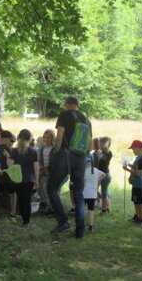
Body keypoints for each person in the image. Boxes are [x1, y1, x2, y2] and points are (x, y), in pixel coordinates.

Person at [47, 96, 92, 238]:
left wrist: (55, 151)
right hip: (81, 158)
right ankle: (80, 230)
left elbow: (59, 137)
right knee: (78, 194)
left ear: (66, 104)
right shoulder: (86, 120)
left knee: (52, 188)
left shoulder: (64, 114)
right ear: (78, 105)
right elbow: (90, 145)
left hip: (65, 155)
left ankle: (63, 222)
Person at [5, 129, 39, 228]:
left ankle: (23, 220)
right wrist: (36, 180)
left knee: (20, 200)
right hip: (29, 179)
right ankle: (27, 222)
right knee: (27, 200)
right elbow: (36, 168)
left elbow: (10, 166)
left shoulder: (14, 151)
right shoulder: (33, 151)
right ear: (29, 139)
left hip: (17, 180)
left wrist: (7, 157)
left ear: (19, 138)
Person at [0, 130, 18, 218]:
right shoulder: (10, 150)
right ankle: (13, 212)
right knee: (13, 194)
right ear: (8, 139)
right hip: (8, 177)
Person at [123, 140, 142, 223]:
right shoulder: (138, 158)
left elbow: (139, 173)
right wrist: (129, 164)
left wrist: (127, 169)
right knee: (136, 201)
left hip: (139, 184)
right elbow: (136, 168)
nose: (133, 150)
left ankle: (141, 218)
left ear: (139, 148)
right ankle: (137, 216)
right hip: (135, 184)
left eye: (133, 148)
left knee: (139, 202)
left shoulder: (140, 159)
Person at [83, 155, 105, 232]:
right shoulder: (95, 170)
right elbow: (104, 174)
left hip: (85, 194)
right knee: (91, 210)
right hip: (93, 195)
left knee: (82, 209)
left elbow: (84, 184)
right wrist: (97, 179)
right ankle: (91, 226)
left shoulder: (83, 171)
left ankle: (81, 225)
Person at [38, 130, 55, 214]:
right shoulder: (42, 148)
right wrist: (40, 167)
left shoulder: (54, 148)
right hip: (43, 171)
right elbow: (41, 160)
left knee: (50, 190)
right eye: (45, 137)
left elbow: (55, 162)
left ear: (52, 138)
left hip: (51, 172)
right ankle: (48, 206)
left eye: (48, 137)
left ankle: (52, 208)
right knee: (43, 189)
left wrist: (48, 168)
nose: (46, 139)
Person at [98, 137, 113, 214]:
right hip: (103, 174)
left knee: (104, 192)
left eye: (100, 144)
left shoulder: (108, 153)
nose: (99, 146)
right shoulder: (102, 153)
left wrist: (107, 140)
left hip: (105, 175)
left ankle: (104, 210)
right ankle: (107, 207)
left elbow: (105, 147)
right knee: (104, 192)